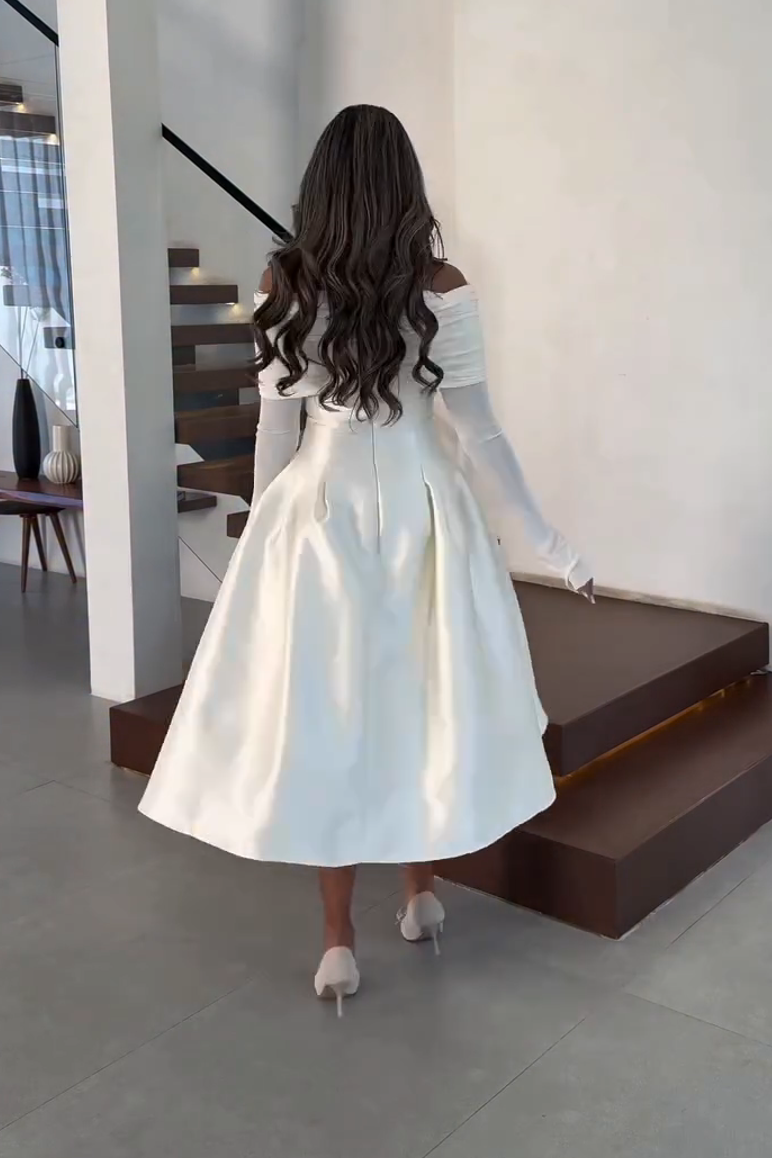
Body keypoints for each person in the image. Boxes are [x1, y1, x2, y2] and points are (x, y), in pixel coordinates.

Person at [139, 104, 592, 1016]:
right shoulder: (443, 285)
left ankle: (337, 941)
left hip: (319, 518)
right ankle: (420, 895)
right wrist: (554, 545)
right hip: (428, 514)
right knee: (422, 702)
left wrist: (258, 536)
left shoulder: (286, 281)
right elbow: (481, 432)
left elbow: (275, 430)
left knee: (331, 715)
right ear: (403, 185)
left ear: (323, 187)